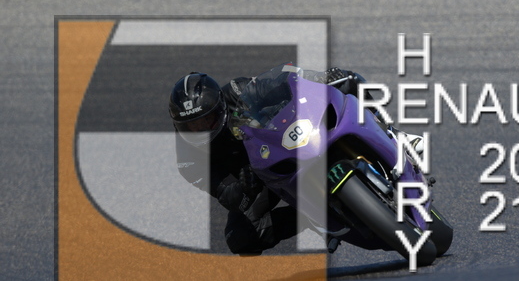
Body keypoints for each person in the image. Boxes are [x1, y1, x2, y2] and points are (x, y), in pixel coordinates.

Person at [168, 65, 424, 255]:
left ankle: (394, 134)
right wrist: (244, 186)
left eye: (206, 120)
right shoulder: (188, 160)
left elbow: (285, 82)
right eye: (192, 126)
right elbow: (230, 197)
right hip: (261, 180)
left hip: (285, 139)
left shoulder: (237, 91)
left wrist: (319, 77)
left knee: (347, 81)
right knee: (240, 237)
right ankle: (312, 217)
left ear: (220, 107)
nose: (200, 129)